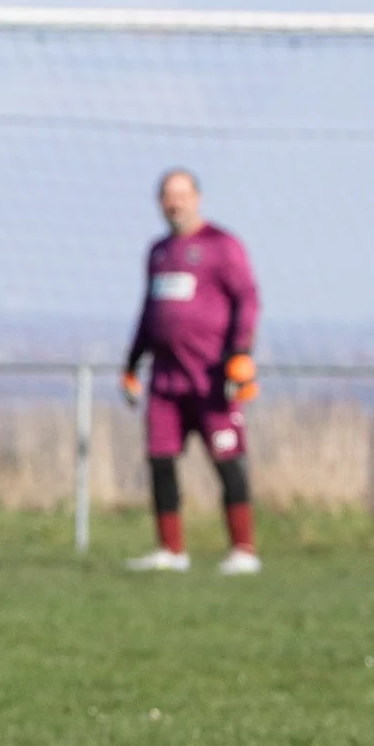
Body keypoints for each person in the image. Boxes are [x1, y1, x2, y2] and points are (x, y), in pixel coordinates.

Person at [122, 168, 263, 576]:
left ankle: (243, 550)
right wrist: (132, 365)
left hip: (212, 380)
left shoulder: (222, 245)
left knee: (227, 458)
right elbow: (149, 314)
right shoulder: (158, 252)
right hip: (166, 381)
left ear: (197, 197)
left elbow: (248, 299)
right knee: (160, 459)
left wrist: (240, 353)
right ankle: (171, 550)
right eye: (167, 196)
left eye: (181, 194)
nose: (175, 203)